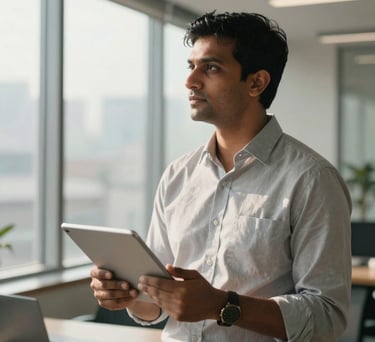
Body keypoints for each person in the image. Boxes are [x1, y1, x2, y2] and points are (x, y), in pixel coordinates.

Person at [90, 11, 352, 341]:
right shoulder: (177, 175)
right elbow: (154, 306)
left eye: (211, 67)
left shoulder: (312, 179)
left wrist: (222, 306)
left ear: (256, 82)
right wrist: (128, 295)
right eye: (191, 66)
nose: (191, 80)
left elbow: (327, 316)